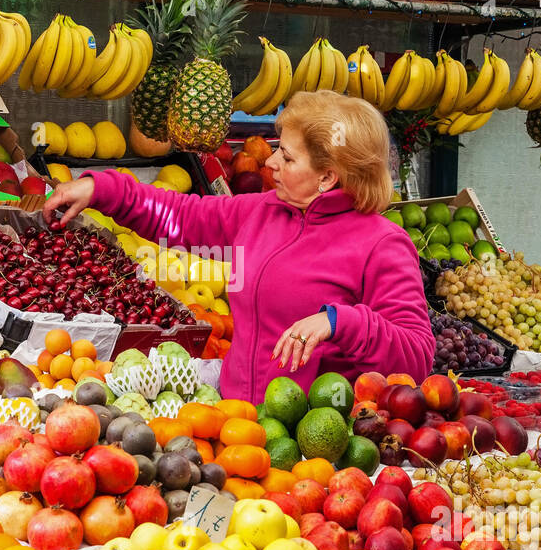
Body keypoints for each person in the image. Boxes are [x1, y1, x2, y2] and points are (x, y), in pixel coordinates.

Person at [44, 90, 434, 403]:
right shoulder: (263, 212)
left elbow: (416, 356)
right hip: (237, 422)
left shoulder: (382, 244)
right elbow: (180, 215)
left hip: (315, 446)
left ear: (327, 177)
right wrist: (103, 189)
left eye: (288, 155)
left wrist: (340, 322)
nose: (272, 163)